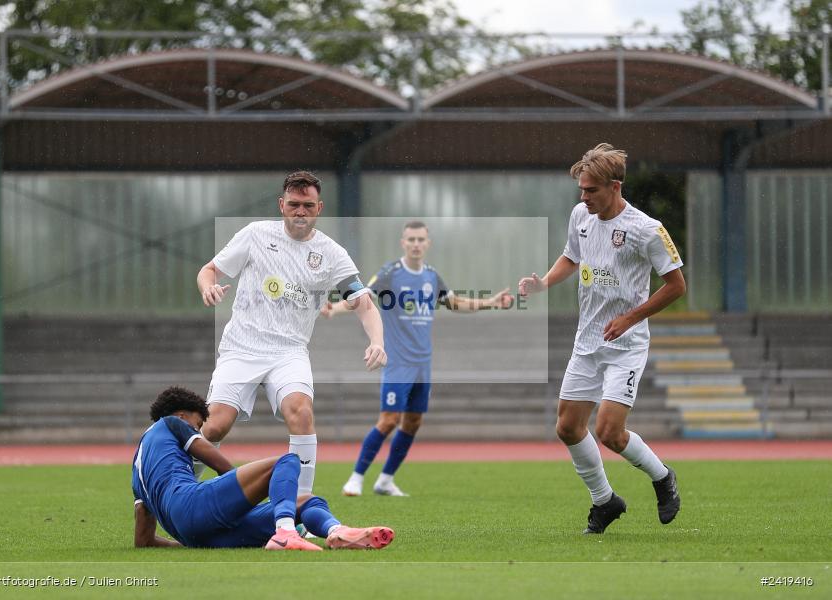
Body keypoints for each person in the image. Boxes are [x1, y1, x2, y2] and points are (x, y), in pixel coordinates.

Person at [518, 143, 685, 534]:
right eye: (581, 189)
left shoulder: (647, 230)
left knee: (609, 431)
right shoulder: (581, 216)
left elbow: (676, 286)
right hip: (587, 343)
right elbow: (571, 257)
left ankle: (662, 477)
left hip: (625, 346)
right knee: (567, 427)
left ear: (614, 186)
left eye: (591, 190)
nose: (583, 197)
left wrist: (630, 317)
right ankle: (605, 501)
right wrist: (543, 282)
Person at [196, 171, 386, 495]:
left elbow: (364, 303)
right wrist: (208, 287)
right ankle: (172, 489)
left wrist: (377, 342)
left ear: (319, 208)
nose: (301, 212)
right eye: (294, 205)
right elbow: (209, 270)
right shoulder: (255, 234)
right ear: (282, 205)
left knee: (301, 412)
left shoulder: (332, 253)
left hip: (289, 352)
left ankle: (301, 506)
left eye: (308, 206)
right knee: (215, 424)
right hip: (241, 347)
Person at [323, 221, 513, 497]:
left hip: (422, 365)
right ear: (403, 242)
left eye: (420, 239)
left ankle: (385, 480)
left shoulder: (432, 276)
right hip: (397, 363)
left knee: (412, 423)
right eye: (410, 239)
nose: (415, 244)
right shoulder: (391, 273)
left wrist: (491, 302)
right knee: (388, 420)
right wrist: (336, 309)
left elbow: (454, 303)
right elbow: (363, 298)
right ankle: (356, 478)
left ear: (428, 243)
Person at [132, 386, 395, 550]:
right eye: (198, 424)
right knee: (286, 462)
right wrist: (249, 494)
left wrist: (185, 542)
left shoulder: (137, 470)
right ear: (181, 416)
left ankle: (337, 532)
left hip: (198, 536)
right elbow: (219, 463)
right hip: (194, 505)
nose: (199, 430)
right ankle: (285, 532)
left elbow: (143, 540)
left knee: (305, 501)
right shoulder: (171, 423)